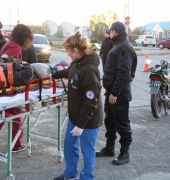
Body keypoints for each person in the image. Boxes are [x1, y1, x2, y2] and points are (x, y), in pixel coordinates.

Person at [52, 31, 103, 180]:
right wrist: (53, 74)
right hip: (75, 116)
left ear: (75, 50)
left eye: (68, 51)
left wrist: (81, 125)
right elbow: (69, 71)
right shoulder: (77, 62)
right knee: (69, 145)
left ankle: (87, 177)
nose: (68, 54)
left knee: (87, 150)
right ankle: (70, 173)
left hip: (88, 120)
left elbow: (91, 100)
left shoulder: (89, 69)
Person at [95, 21, 137, 165]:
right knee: (110, 120)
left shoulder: (123, 47)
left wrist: (115, 93)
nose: (109, 33)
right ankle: (109, 148)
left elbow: (124, 73)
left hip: (119, 93)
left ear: (114, 31)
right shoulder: (117, 45)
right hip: (112, 92)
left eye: (110, 31)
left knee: (122, 123)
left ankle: (125, 153)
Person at [0, 24, 34, 152]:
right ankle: (16, 144)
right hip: (9, 87)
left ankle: (16, 143)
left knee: (10, 115)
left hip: (5, 85)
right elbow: (10, 68)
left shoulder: (9, 43)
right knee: (13, 115)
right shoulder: (15, 46)